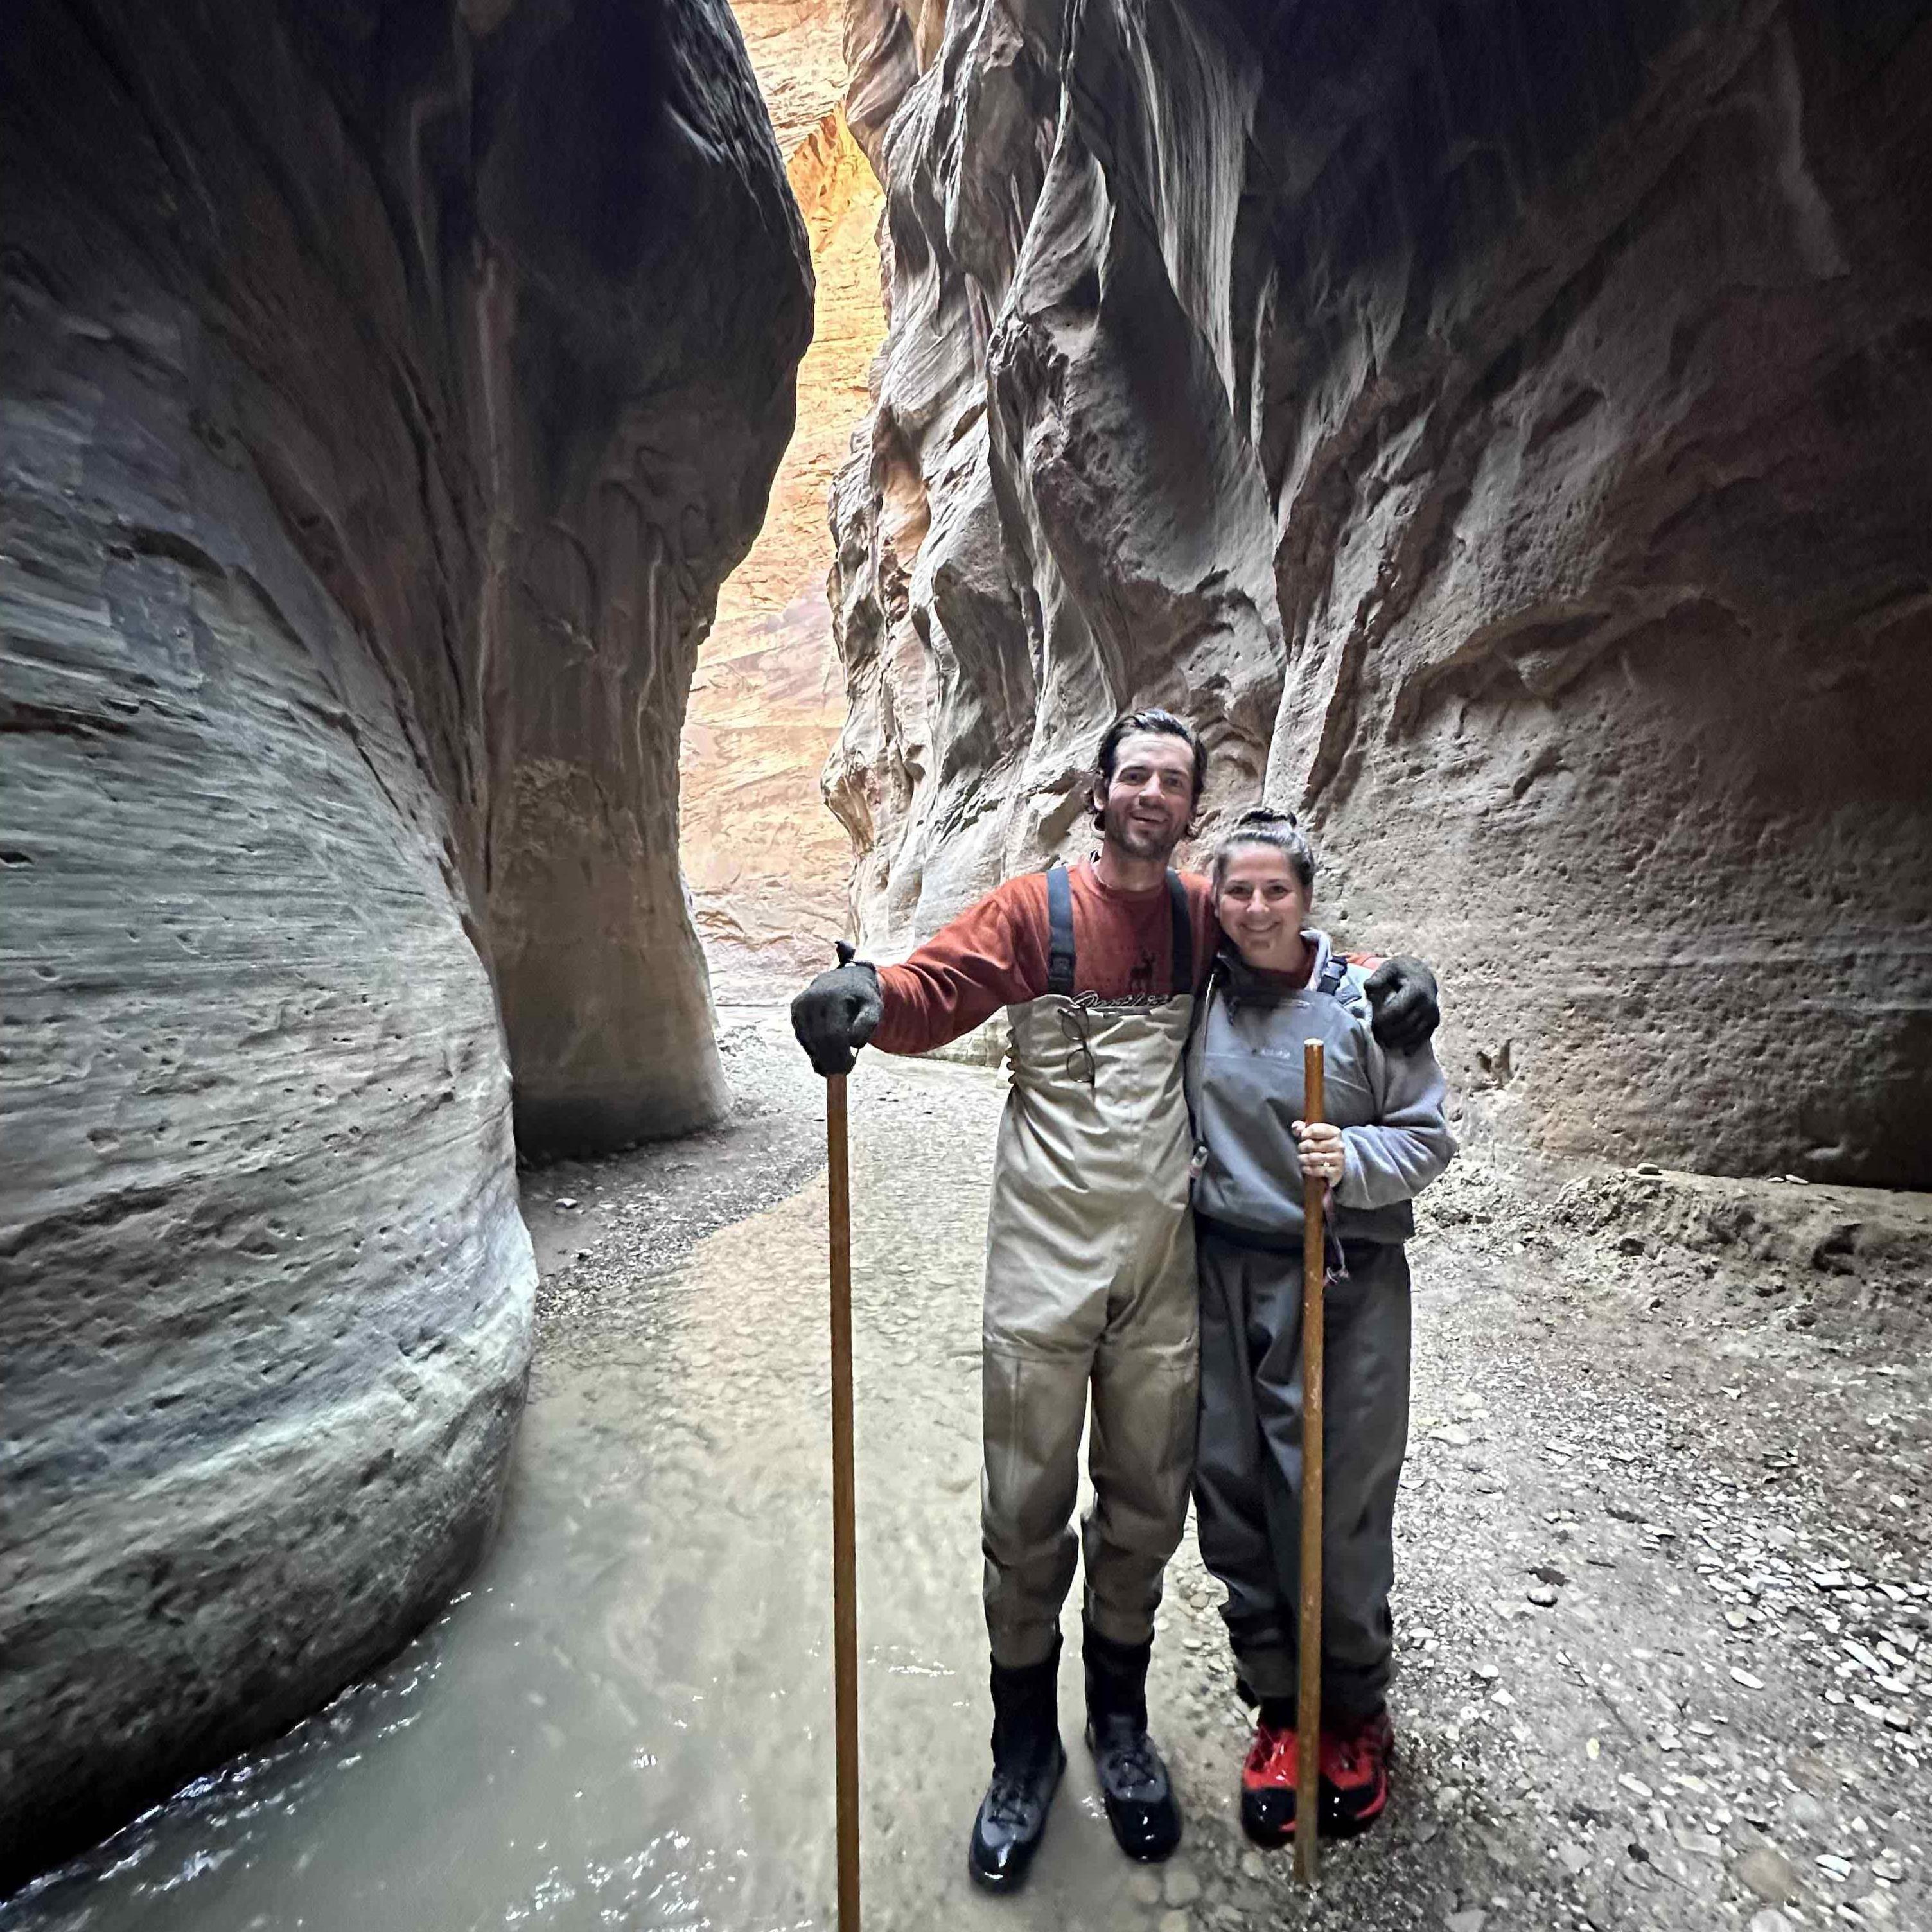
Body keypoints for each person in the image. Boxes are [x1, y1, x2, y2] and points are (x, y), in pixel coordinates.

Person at [789, 711, 1441, 1892]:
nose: (1150, 792)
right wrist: (864, 997)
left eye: (1173, 780)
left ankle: (1122, 1729)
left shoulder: (1205, 918)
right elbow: (936, 986)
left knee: (1147, 1503)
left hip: (1161, 1271)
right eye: (1132, 773)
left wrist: (1402, 985)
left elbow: (1303, 961)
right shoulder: (1032, 912)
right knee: (1024, 1505)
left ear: (1190, 807)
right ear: (1099, 791)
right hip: (1040, 1258)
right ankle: (1023, 1748)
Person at [1186, 806, 1455, 1848]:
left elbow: (1429, 1135)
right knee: (1237, 1486)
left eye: (1276, 892)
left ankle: (1350, 1709)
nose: (1256, 909)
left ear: (1307, 899)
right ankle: (1278, 1706)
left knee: (1333, 1500)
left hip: (1340, 1278)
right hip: (1222, 1271)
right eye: (1237, 892)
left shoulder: (1367, 1006)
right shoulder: (1202, 990)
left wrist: (1355, 1159)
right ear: (1217, 903)